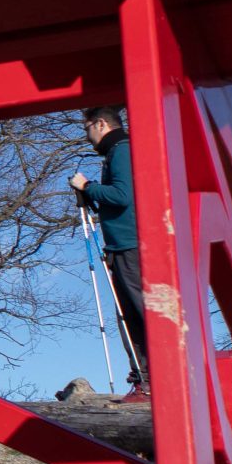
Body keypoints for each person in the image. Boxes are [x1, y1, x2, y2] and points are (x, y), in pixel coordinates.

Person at [70, 105, 150, 404]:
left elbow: (122, 195)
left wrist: (88, 187)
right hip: (123, 244)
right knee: (130, 314)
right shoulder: (121, 151)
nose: (87, 136)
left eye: (87, 128)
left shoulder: (121, 151)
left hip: (130, 244)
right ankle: (146, 378)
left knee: (138, 314)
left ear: (100, 124)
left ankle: (150, 380)